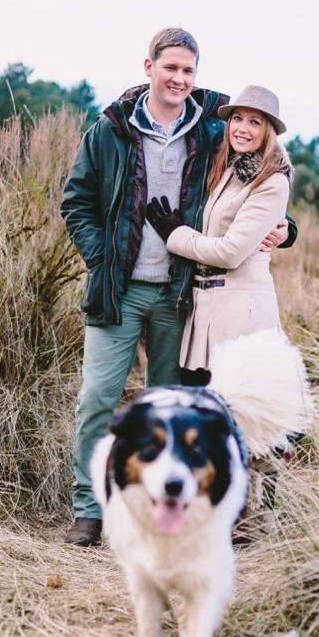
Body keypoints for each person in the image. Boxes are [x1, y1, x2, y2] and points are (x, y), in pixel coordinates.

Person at [60, 29, 296, 547]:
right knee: (98, 399)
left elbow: (257, 177)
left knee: (168, 410)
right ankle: (89, 510)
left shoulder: (209, 130)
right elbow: (75, 201)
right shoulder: (110, 130)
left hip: (180, 297)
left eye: (189, 71)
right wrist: (103, 259)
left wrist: (287, 225)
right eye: (170, 68)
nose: (179, 79)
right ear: (148, 67)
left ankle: (153, 514)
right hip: (118, 292)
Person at [145, 85, 293, 531]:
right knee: (211, 413)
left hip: (240, 308)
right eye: (237, 119)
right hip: (207, 307)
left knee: (244, 416)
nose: (243, 128)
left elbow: (230, 251)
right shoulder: (226, 168)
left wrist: (174, 234)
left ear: (269, 132)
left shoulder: (272, 179)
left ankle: (255, 518)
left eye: (254, 121)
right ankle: (221, 514)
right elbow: (191, 93)